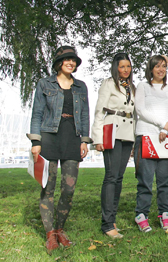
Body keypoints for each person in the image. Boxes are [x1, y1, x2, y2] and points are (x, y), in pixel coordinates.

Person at [28, 46, 91, 253]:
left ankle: (61, 229)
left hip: (72, 138)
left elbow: (84, 116)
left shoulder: (81, 87)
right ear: (59, 63)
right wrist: (36, 141)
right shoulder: (45, 84)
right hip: (49, 138)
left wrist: (84, 140)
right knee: (48, 187)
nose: (70, 63)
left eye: (73, 60)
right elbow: (37, 113)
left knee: (69, 188)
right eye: (66, 60)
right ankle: (50, 233)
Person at [133, 55, 168, 232]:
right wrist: (162, 125)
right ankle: (141, 215)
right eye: (157, 66)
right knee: (145, 180)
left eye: (164, 66)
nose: (161, 69)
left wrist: (167, 129)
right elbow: (140, 109)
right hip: (147, 137)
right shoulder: (143, 86)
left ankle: (165, 214)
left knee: (165, 181)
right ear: (151, 69)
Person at [91, 53, 135, 238]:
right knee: (111, 176)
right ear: (116, 67)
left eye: (128, 66)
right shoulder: (108, 83)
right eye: (122, 66)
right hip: (112, 131)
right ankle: (107, 224)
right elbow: (99, 110)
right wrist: (97, 138)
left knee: (119, 177)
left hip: (127, 133)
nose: (125, 70)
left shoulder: (131, 86)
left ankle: (112, 218)